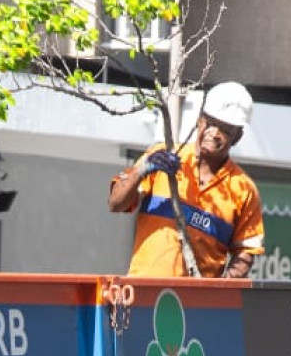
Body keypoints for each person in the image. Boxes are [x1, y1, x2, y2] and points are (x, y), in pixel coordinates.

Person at [108, 81, 265, 279]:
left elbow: (246, 252)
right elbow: (116, 203)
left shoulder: (243, 189)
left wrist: (218, 292)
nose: (214, 133)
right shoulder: (163, 157)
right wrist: (142, 169)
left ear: (237, 137)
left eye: (225, 129)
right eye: (210, 123)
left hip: (196, 303)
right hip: (144, 292)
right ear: (199, 120)